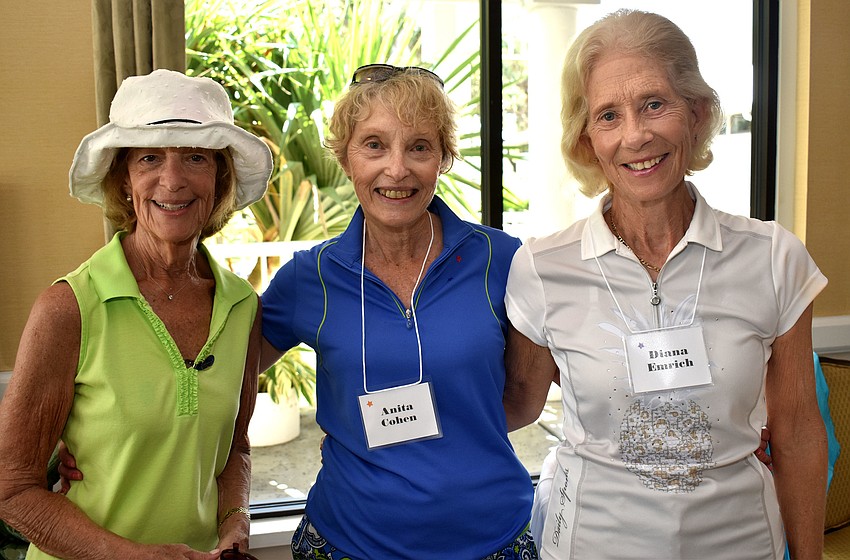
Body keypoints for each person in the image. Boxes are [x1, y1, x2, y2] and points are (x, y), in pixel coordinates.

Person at [502, 9, 828, 560]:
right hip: (589, 545)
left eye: (655, 104)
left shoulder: (774, 258)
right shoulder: (542, 268)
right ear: (587, 139)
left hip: (742, 545)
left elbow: (797, 432)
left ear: (696, 113)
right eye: (608, 115)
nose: (636, 135)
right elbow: (513, 407)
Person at [259, 64, 537, 559]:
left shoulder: (503, 260)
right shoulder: (309, 278)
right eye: (374, 145)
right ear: (345, 158)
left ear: (443, 158)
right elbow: (221, 382)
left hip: (491, 539)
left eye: (419, 147)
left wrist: (454, 435)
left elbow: (523, 397)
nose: (397, 169)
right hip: (348, 544)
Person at [0, 69, 272, 559]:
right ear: (124, 179)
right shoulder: (69, 307)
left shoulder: (241, 305)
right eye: (150, 158)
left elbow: (235, 449)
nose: (173, 180)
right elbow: (12, 491)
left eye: (195, 157)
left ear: (219, 178)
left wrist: (235, 520)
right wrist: (136, 556)